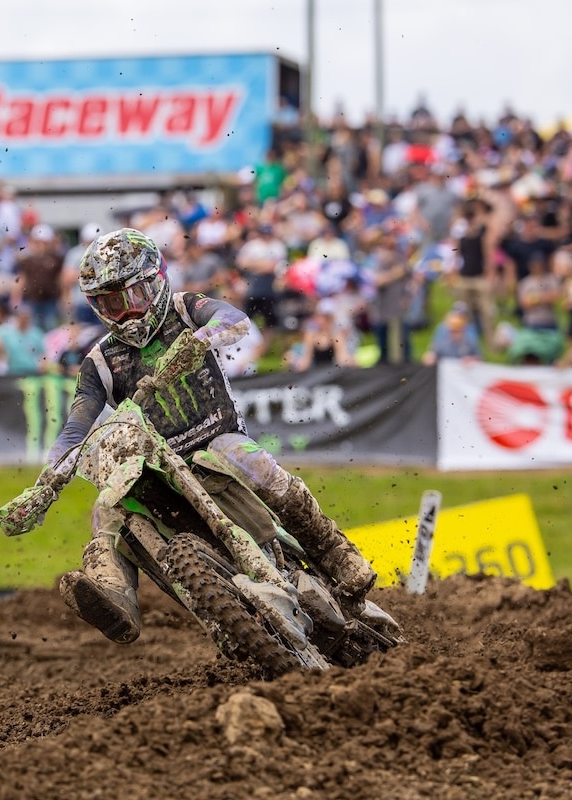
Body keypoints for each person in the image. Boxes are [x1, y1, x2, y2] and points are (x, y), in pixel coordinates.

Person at [19, 228, 375, 645]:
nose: (126, 313)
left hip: (215, 439)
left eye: (133, 297)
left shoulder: (185, 309)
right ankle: (114, 594)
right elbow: (76, 427)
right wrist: (46, 482)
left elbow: (234, 319)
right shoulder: (99, 361)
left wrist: (201, 339)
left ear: (155, 281)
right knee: (107, 507)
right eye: (111, 304)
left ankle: (334, 551)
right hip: (156, 462)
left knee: (252, 461)